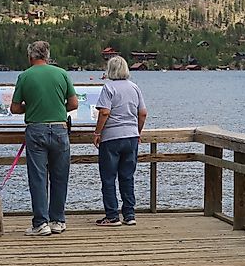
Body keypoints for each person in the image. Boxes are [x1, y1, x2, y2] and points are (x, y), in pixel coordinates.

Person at [11, 40, 77, 236]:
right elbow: (73, 104)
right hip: (59, 129)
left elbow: (14, 108)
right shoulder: (62, 73)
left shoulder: (25, 76)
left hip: (36, 130)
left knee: (38, 178)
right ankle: (58, 220)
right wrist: (56, 107)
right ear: (47, 56)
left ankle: (41, 223)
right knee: (60, 176)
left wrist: (30, 107)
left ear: (30, 56)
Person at [93, 55, 147, 227]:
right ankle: (129, 214)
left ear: (110, 70)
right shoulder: (134, 87)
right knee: (127, 177)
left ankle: (112, 215)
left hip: (111, 138)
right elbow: (143, 113)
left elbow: (104, 113)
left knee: (108, 178)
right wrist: (137, 131)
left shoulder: (108, 88)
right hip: (131, 137)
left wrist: (97, 133)